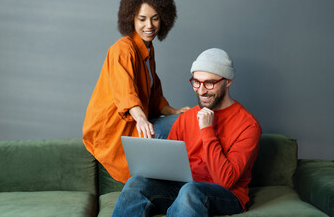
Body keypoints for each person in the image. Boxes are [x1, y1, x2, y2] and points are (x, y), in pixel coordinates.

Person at [112, 48, 262, 216]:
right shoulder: (185, 118)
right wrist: (154, 157)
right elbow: (169, 168)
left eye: (209, 83)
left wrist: (207, 130)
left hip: (227, 195)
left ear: (228, 82)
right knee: (137, 183)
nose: (201, 90)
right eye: (196, 82)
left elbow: (225, 181)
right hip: (183, 188)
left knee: (190, 191)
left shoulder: (248, 125)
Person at [82, 0, 189, 184]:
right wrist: (140, 119)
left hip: (138, 120)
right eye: (142, 19)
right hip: (115, 129)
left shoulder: (148, 49)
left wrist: (174, 111)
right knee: (187, 126)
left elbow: (154, 95)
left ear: (164, 18)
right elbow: (126, 93)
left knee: (189, 119)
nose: (149, 25)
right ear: (131, 19)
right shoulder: (123, 49)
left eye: (155, 18)